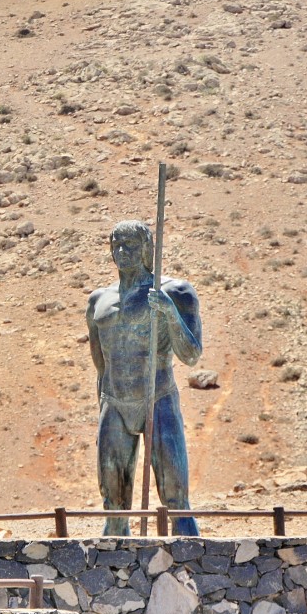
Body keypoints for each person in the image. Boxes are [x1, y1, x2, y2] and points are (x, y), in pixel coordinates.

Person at [86, 220, 202, 536]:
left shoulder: (174, 292)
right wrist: (101, 414)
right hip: (114, 403)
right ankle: (111, 574)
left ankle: (192, 568)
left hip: (158, 397)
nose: (122, 252)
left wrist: (170, 313)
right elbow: (101, 366)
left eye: (131, 246)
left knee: (176, 498)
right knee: (114, 505)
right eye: (116, 245)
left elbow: (191, 355)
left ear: (147, 249)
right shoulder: (98, 301)